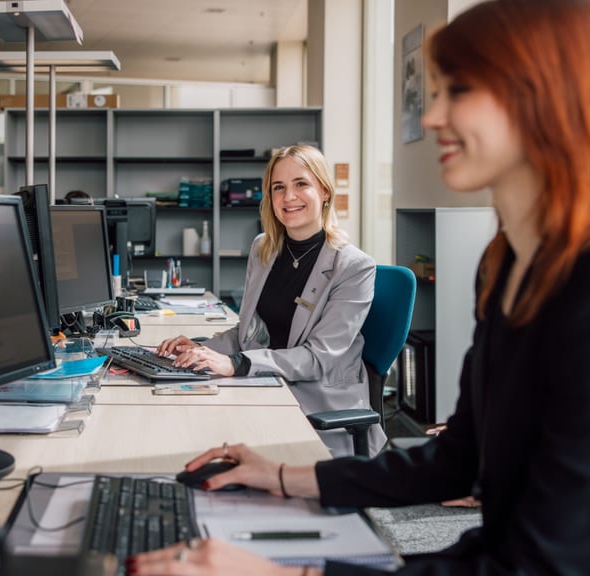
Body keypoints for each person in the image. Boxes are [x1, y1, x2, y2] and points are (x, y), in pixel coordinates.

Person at [131, 1, 590, 573]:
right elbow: (456, 461)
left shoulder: (576, 291)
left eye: (460, 92)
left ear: (543, 97)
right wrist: (279, 475)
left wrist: (291, 573)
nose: (431, 117)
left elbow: (543, 563)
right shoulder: (506, 269)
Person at [157, 144, 385, 457]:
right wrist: (202, 350)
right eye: (278, 187)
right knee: (182, 424)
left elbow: (319, 358)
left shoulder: (353, 266)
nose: (288, 197)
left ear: (324, 191)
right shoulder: (263, 248)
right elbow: (250, 332)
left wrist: (237, 364)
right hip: (266, 385)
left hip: (317, 403)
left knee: (209, 441)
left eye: (301, 184)